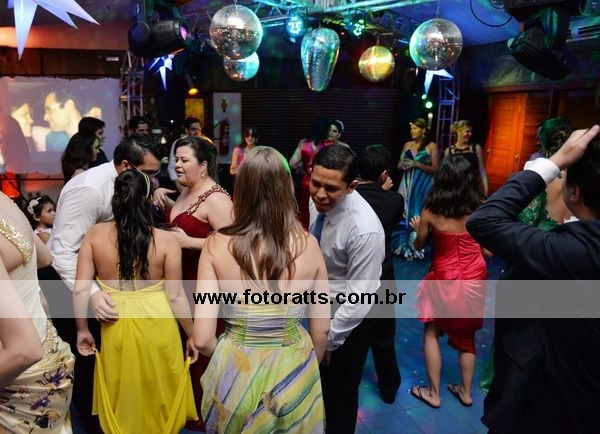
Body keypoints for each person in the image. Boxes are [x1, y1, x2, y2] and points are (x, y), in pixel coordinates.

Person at [466, 125, 600, 433]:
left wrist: (553, 162)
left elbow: (484, 220)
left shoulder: (577, 251)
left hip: (549, 407)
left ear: (575, 193)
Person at [194, 146, 330, 433]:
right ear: (287, 189)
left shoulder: (216, 246)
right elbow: (322, 330)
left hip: (237, 374)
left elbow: (203, 339)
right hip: (294, 368)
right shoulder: (310, 245)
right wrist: (303, 369)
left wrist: (232, 356)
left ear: (241, 189)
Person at [50, 134, 163, 433]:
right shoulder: (89, 191)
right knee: (89, 369)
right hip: (70, 287)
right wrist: (93, 294)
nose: (153, 180)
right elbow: (63, 252)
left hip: (105, 285)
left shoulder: (128, 184)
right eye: (149, 173)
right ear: (126, 165)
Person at [73, 169, 198, 433]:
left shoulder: (94, 235)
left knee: (123, 396)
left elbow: (81, 288)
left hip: (115, 323)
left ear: (116, 198)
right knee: (160, 393)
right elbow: (175, 296)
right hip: (159, 324)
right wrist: (191, 335)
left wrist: (82, 330)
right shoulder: (167, 241)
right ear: (148, 199)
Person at [154, 135, 233, 431]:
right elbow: (183, 218)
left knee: (203, 352)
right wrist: (161, 194)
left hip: (204, 287)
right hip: (180, 285)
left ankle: (209, 416)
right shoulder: (186, 190)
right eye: (176, 159)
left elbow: (234, 246)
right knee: (185, 350)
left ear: (203, 166)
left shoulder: (217, 199)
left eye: (184, 160)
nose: (176, 165)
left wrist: (191, 242)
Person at [309, 144, 385, 433]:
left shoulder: (364, 229)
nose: (320, 194)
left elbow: (360, 298)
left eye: (331, 189)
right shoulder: (318, 201)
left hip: (348, 317)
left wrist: (330, 339)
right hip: (318, 306)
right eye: (315, 183)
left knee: (339, 394)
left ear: (352, 186)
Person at [408, 155, 487, 409]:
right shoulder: (480, 209)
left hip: (443, 277)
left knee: (432, 330)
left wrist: (418, 229)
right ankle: (465, 393)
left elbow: (419, 246)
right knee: (468, 338)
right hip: (474, 276)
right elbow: (488, 252)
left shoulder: (430, 212)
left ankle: (433, 393)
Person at [0, 190, 74, 433]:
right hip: (50, 356)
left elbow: (24, 350)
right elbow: (44, 258)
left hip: (17, 377)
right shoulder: (5, 202)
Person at [355, 144, 403, 403]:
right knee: (384, 337)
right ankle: (389, 387)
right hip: (382, 277)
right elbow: (390, 219)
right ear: (384, 173)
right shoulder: (394, 200)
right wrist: (383, 191)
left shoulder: (348, 198)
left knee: (351, 335)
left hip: (352, 279)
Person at [395, 118, 439, 260]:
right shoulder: (407, 144)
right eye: (411, 128)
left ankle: (417, 248)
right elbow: (399, 165)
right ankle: (403, 246)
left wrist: (417, 164)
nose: (412, 131)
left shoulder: (431, 146)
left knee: (417, 214)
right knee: (404, 212)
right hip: (407, 183)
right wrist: (404, 165)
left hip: (423, 185)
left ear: (423, 130)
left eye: (415, 128)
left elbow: (436, 169)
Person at [289, 116, 331, 228]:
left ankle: (304, 233)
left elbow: (292, 163)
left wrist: (302, 165)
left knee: (304, 210)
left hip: (307, 183)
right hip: (323, 183)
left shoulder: (304, 145)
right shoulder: (329, 146)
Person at [445, 120, 489, 196]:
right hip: (454, 190)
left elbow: (482, 170)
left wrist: (486, 189)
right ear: (458, 132)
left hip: (471, 189)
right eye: (467, 131)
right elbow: (446, 173)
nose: (470, 134)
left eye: (471, 132)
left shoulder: (476, 148)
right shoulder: (449, 151)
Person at [167, 117, 209, 191]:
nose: (197, 132)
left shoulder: (205, 144)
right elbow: (172, 167)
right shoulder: (179, 143)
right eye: (193, 129)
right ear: (186, 130)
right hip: (184, 185)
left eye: (199, 129)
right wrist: (180, 188)